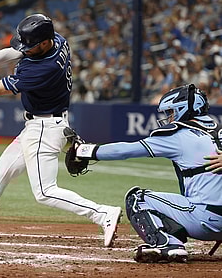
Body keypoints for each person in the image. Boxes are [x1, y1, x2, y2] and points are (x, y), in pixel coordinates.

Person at [0, 14, 122, 247]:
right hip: (37, 127)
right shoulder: (57, 40)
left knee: (45, 192)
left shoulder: (43, 69)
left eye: (30, 46)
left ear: (43, 43)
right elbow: (11, 52)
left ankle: (103, 214)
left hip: (45, 128)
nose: (25, 50)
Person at [72, 83, 222, 263]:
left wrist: (86, 151)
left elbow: (126, 150)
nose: (169, 118)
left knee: (137, 198)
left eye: (171, 112)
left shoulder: (179, 136)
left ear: (183, 109)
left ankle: (168, 244)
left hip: (206, 222)